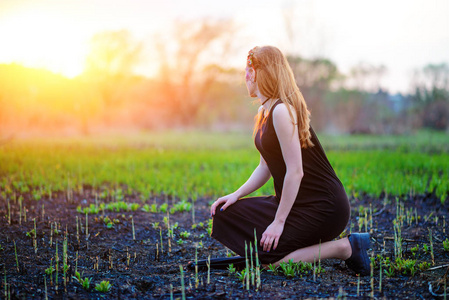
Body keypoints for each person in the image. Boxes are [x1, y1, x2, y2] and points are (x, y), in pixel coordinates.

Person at [195, 46, 370, 276]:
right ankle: (291, 242)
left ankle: (345, 247)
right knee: (225, 212)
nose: (245, 76)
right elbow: (264, 166)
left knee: (270, 263)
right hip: (293, 203)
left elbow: (295, 171)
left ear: (261, 73)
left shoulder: (282, 111)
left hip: (324, 206)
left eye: (248, 70)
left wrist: (279, 222)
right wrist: (236, 195)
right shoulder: (263, 113)